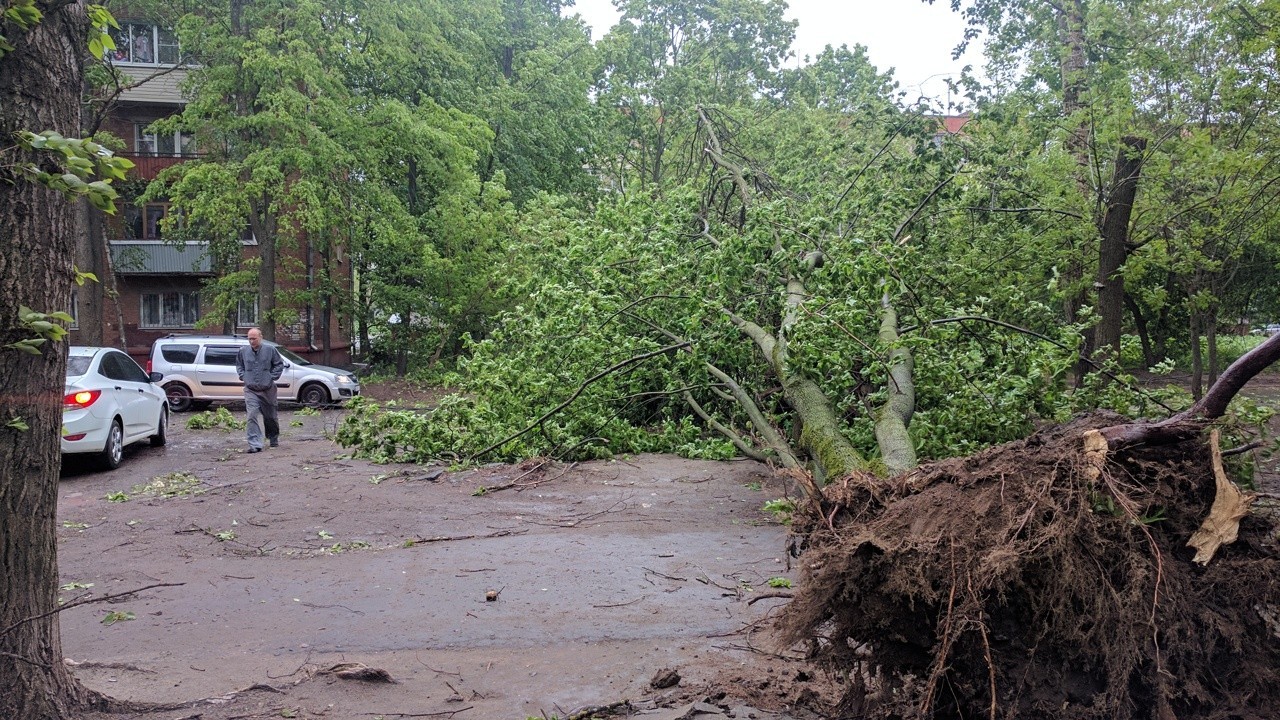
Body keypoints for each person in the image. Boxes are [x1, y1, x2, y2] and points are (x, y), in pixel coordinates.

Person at [235, 328, 283, 453]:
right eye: (249, 339)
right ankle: (255, 444)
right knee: (251, 415)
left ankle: (273, 437)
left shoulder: (270, 350)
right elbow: (239, 365)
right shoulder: (243, 351)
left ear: (260, 337)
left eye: (254, 338)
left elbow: (279, 364)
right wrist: (243, 376)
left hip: (268, 389)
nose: (251, 341)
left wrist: (271, 377)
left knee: (270, 417)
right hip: (251, 389)